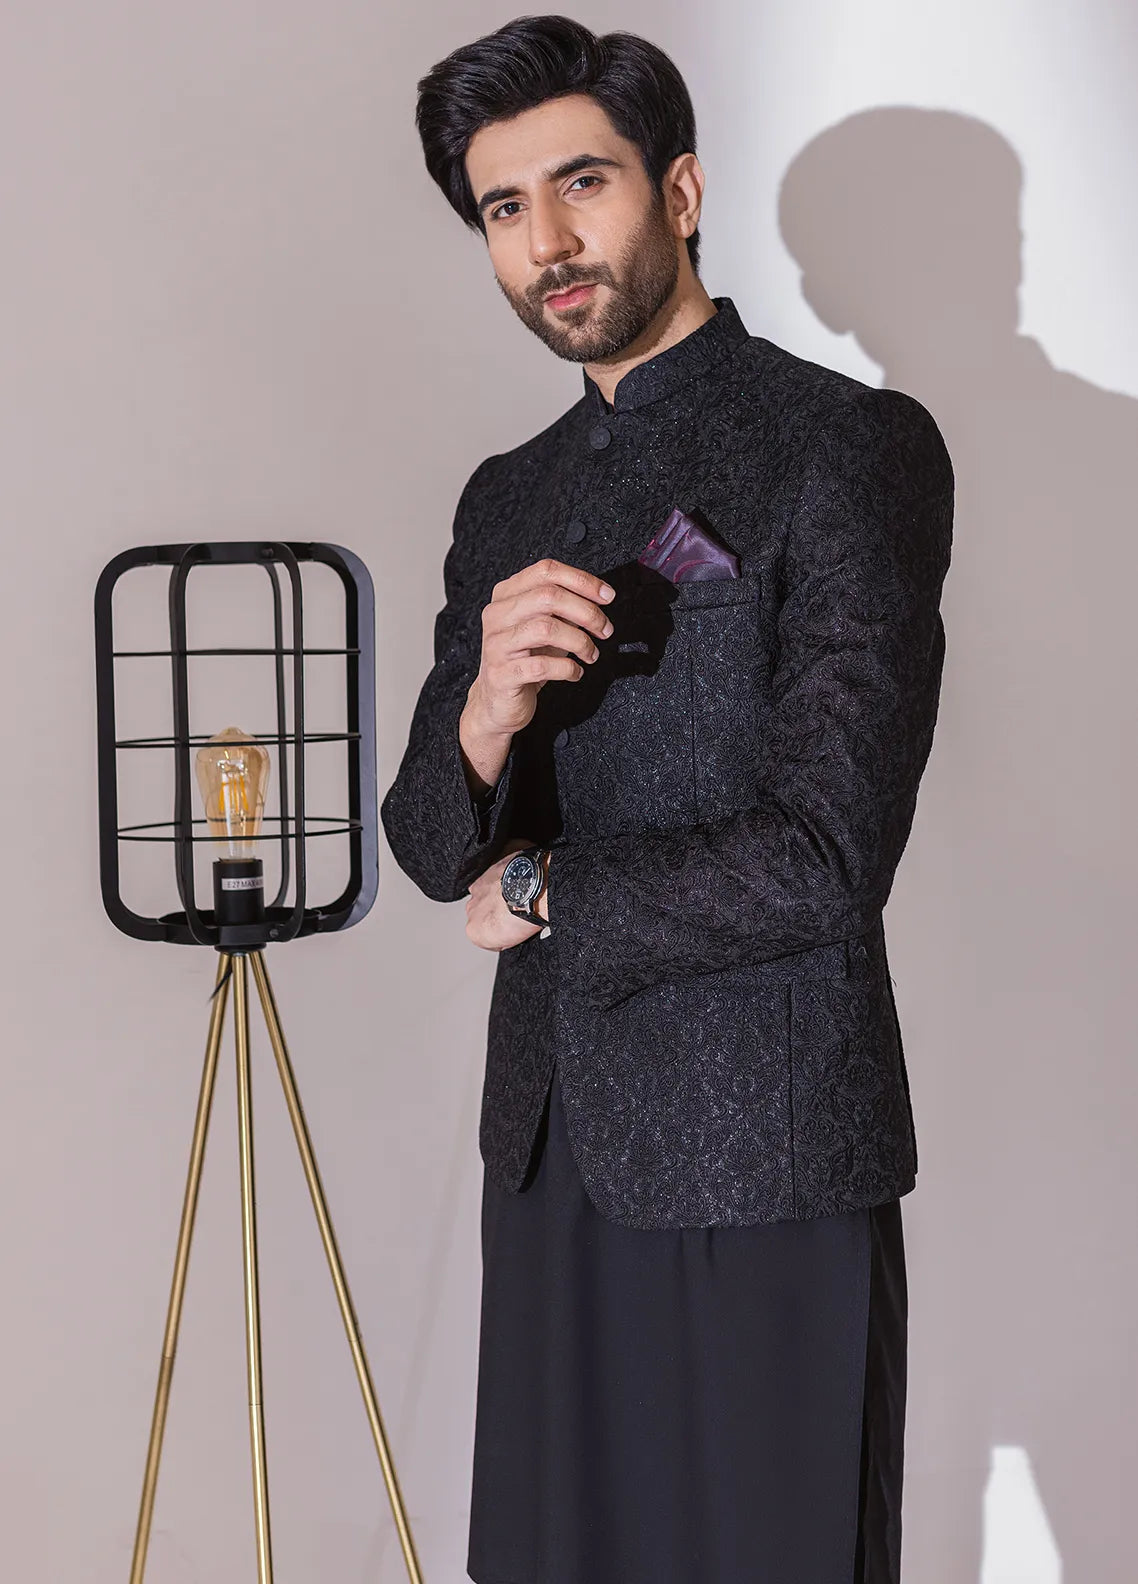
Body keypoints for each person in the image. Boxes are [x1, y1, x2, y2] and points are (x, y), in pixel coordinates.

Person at [381, 15, 954, 1584]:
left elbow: (826, 853)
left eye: (583, 184)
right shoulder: (505, 495)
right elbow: (427, 846)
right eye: (504, 208)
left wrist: (546, 891)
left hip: (765, 1143)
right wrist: (485, 709)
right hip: (551, 1143)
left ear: (680, 191)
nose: (547, 244)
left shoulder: (844, 448)